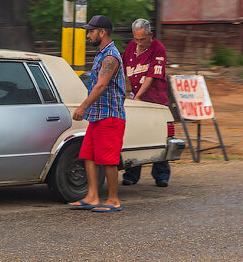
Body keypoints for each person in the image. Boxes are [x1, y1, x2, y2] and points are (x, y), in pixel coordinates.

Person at [67, 15, 127, 212]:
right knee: (88, 155)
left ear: (102, 32)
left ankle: (113, 200)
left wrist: (82, 107)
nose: (88, 35)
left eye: (91, 31)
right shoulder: (101, 54)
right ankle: (92, 196)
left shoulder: (110, 56)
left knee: (108, 160)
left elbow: (101, 86)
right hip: (97, 115)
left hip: (110, 115)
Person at [121, 18, 171, 187]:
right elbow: (121, 69)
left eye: (143, 39)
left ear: (151, 35)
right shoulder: (130, 47)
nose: (139, 43)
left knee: (160, 137)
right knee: (136, 137)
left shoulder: (158, 49)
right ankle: (132, 174)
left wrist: (137, 97)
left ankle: (161, 175)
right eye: (136, 39)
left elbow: (151, 76)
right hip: (137, 99)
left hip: (156, 102)